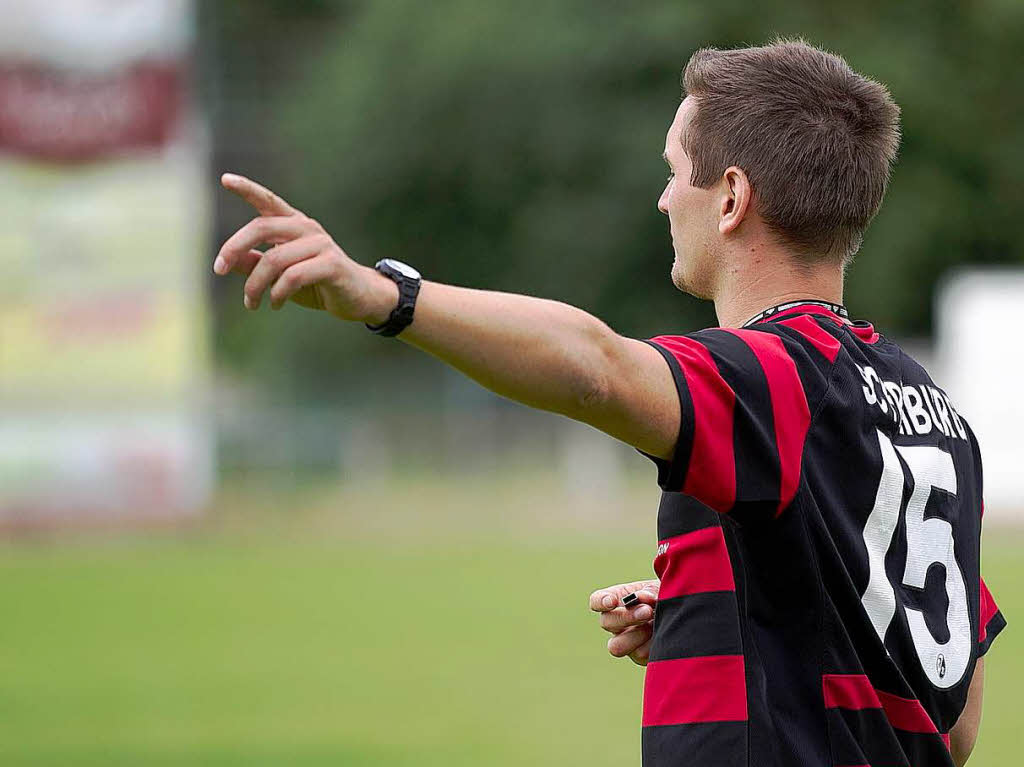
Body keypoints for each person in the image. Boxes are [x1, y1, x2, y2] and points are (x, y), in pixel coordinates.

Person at [214, 39, 1004, 767]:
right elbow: (953, 722)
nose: (664, 200)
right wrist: (724, 616)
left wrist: (382, 294)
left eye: (673, 171)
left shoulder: (774, 375)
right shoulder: (936, 412)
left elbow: (597, 368)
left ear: (731, 197)